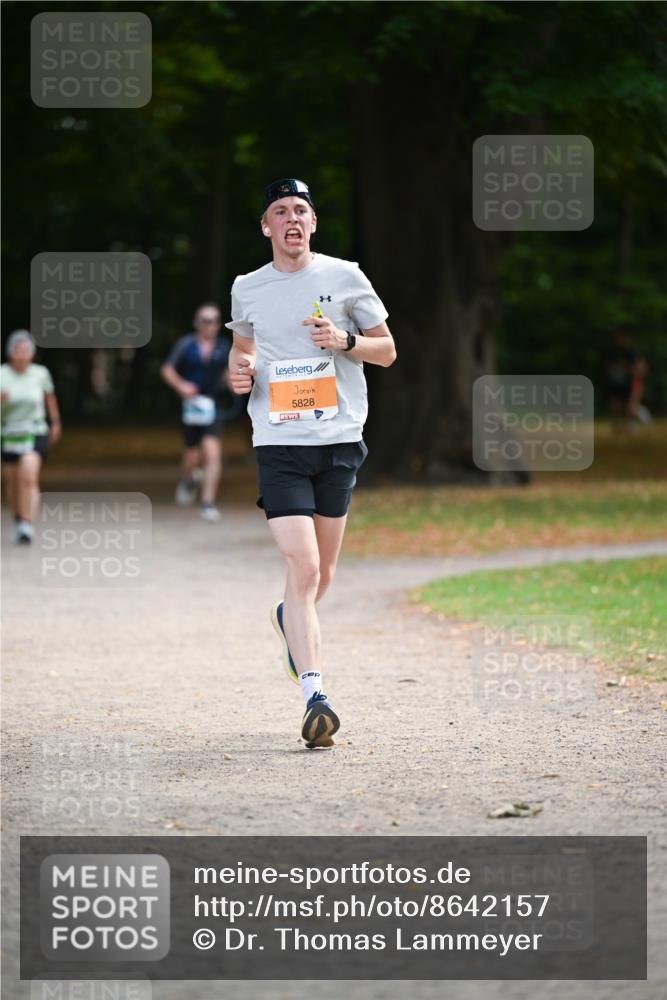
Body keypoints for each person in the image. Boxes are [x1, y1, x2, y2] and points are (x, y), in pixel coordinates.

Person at [226, 177, 396, 749]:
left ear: (313, 223)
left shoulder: (346, 276)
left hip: (339, 438)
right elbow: (243, 348)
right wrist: (239, 371)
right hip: (279, 441)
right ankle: (315, 696)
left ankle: (289, 619)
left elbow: (387, 350)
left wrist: (345, 341)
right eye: (280, 211)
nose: (292, 218)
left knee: (321, 576)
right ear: (266, 227)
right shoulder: (247, 287)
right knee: (302, 566)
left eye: (301, 209)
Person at [161, 303, 231, 522]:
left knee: (212, 452)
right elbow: (167, 369)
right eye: (205, 321)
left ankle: (208, 503)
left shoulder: (224, 346)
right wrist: (181, 385)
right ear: (197, 323)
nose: (210, 325)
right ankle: (189, 478)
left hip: (213, 405)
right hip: (191, 405)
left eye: (214, 321)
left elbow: (229, 372)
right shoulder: (186, 344)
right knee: (191, 454)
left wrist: (234, 383)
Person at [0, 330, 61, 544]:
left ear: (32, 353)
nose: (21, 354)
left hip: (35, 430)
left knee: (28, 475)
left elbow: (49, 398)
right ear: (10, 352)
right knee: (12, 480)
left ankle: (26, 522)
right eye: (17, 349)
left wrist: (55, 422)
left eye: (25, 350)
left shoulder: (40, 373)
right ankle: (18, 518)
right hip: (8, 431)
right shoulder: (2, 374)